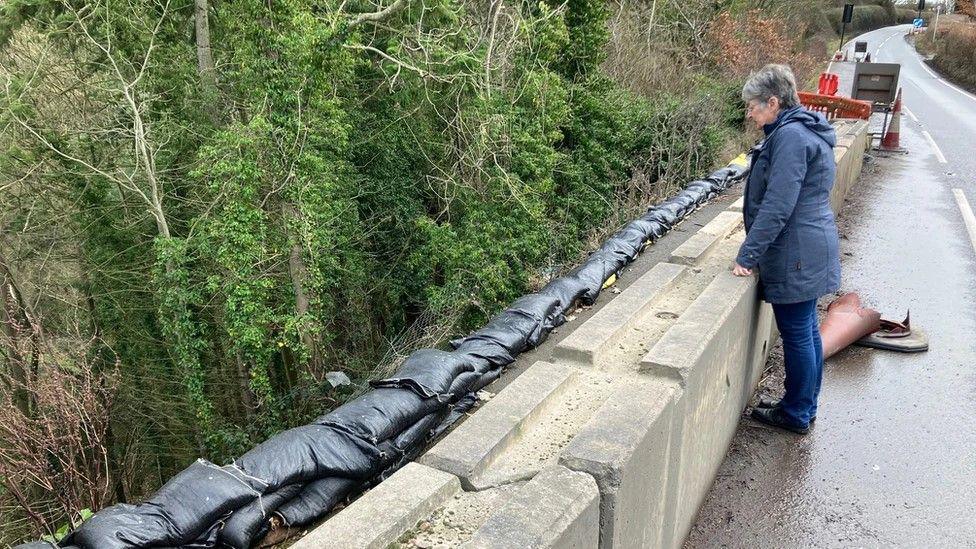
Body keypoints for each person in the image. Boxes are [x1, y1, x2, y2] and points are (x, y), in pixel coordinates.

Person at [732, 64, 841, 435]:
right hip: (811, 242)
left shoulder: (791, 137)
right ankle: (803, 407)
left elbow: (779, 203)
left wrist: (747, 255)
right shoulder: (808, 129)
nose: (749, 113)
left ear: (773, 102)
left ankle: (795, 413)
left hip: (796, 251)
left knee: (798, 333)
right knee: (807, 331)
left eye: (753, 106)